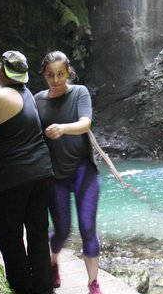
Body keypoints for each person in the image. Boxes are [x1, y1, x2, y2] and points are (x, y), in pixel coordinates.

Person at [0, 50, 55, 294]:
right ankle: (44, 289)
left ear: (0, 71)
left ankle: (22, 289)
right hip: (42, 173)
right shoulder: (27, 94)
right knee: (38, 236)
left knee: (11, 239)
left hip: (15, 180)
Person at [34, 51, 102, 294]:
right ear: (43, 75)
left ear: (68, 72)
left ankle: (93, 283)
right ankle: (53, 262)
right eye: (50, 75)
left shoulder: (79, 93)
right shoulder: (38, 100)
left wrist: (63, 128)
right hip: (56, 175)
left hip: (84, 171)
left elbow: (86, 122)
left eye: (60, 74)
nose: (56, 79)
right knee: (62, 229)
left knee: (87, 227)